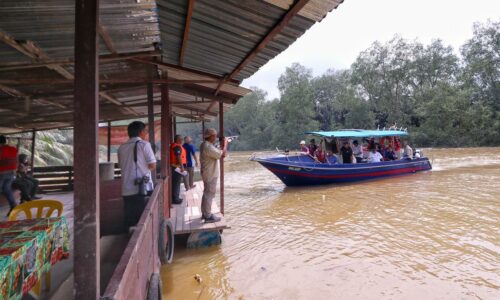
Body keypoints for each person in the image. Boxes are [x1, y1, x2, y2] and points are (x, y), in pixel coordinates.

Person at [118, 121, 156, 229]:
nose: (146, 133)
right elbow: (152, 165)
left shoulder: (121, 147)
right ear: (140, 132)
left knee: (130, 220)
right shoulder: (144, 144)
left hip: (126, 189)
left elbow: (123, 166)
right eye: (145, 131)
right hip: (142, 189)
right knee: (143, 222)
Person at [199, 128, 229, 223]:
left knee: (207, 193)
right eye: (215, 135)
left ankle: (205, 213)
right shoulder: (208, 147)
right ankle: (207, 216)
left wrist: (220, 146)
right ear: (211, 136)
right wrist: (226, 143)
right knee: (209, 194)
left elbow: (216, 152)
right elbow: (222, 154)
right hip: (210, 173)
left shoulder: (205, 145)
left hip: (208, 172)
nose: (216, 137)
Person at [0, 135, 18, 216]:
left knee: (5, 190)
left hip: (2, 173)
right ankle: (13, 205)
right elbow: (16, 160)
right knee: (6, 190)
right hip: (12, 173)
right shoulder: (14, 149)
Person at [170, 134, 187, 204]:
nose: (182, 140)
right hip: (176, 167)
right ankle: (176, 199)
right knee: (176, 183)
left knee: (175, 183)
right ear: (177, 140)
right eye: (181, 139)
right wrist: (182, 167)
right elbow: (178, 157)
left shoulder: (174, 146)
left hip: (175, 167)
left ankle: (175, 198)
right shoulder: (177, 147)